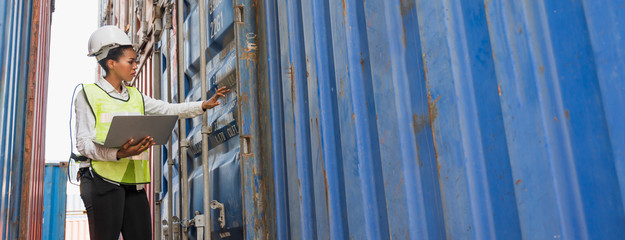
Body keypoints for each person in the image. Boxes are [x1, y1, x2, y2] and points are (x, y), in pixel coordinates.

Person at [75, 25, 229, 240]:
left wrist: (203, 105)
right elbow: (83, 144)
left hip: (133, 184)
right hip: (102, 181)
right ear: (111, 63)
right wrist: (117, 154)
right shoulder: (87, 94)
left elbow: (167, 109)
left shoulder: (136, 96)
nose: (135, 66)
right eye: (130, 61)